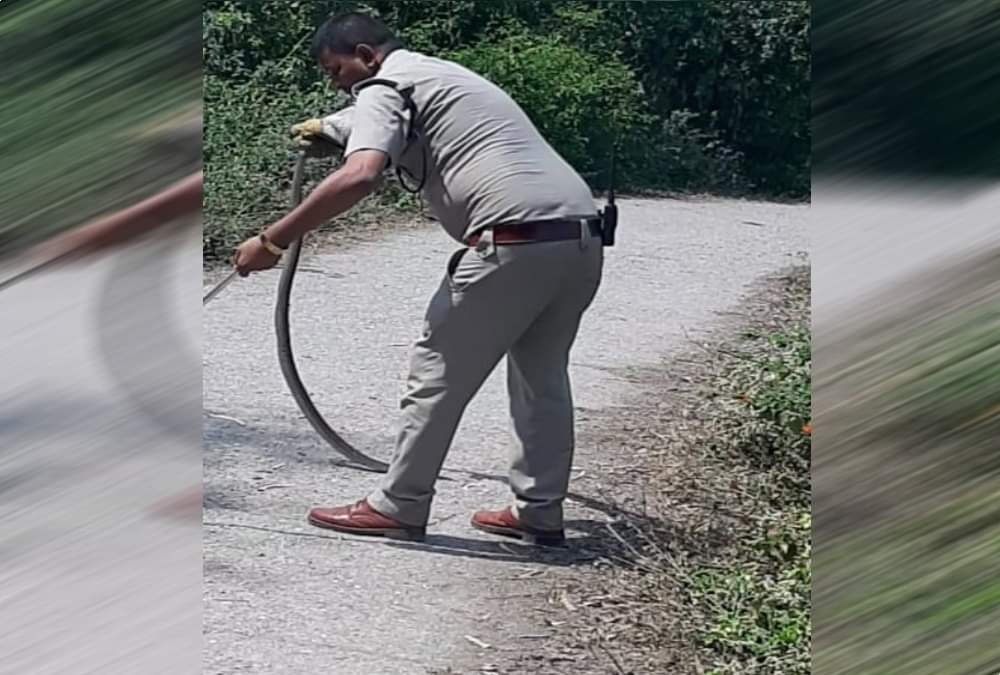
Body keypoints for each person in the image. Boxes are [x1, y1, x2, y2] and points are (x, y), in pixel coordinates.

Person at [233, 12, 605, 547]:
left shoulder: (381, 83)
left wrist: (272, 241)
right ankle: (539, 512)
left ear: (364, 55)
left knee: (437, 371)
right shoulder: (440, 73)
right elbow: (388, 120)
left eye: (336, 71)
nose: (338, 83)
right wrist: (332, 128)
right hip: (579, 238)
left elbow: (362, 173)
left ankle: (399, 504)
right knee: (541, 378)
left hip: (514, 241)